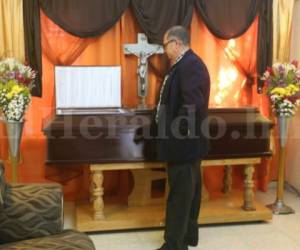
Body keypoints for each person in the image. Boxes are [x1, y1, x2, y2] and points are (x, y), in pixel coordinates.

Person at [155, 26, 210, 250]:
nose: (164, 50)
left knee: (181, 194)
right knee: (189, 192)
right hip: (185, 142)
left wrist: (178, 135)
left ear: (177, 43)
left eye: (166, 45)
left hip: (184, 143)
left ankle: (174, 245)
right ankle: (188, 236)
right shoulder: (182, 65)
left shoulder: (190, 65)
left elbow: (192, 106)